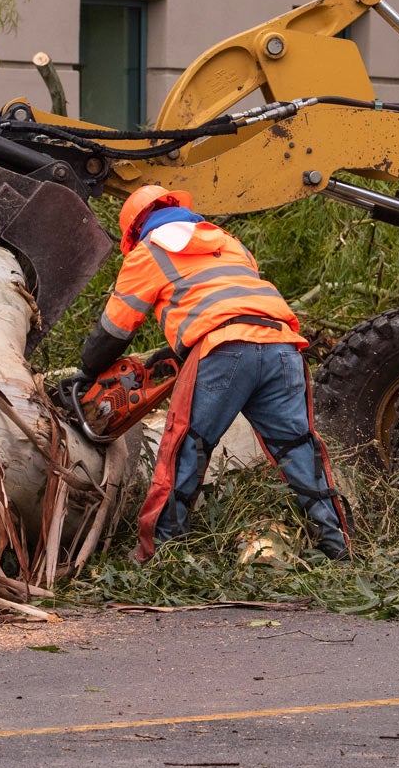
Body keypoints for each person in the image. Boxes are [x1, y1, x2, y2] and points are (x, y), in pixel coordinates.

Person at [77, 185, 350, 562]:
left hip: (223, 351)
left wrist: (86, 371)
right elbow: (224, 299)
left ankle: (161, 554)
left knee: (186, 446)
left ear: (135, 229)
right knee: (298, 447)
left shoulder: (149, 250)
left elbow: (116, 329)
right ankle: (336, 545)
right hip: (281, 347)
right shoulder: (229, 242)